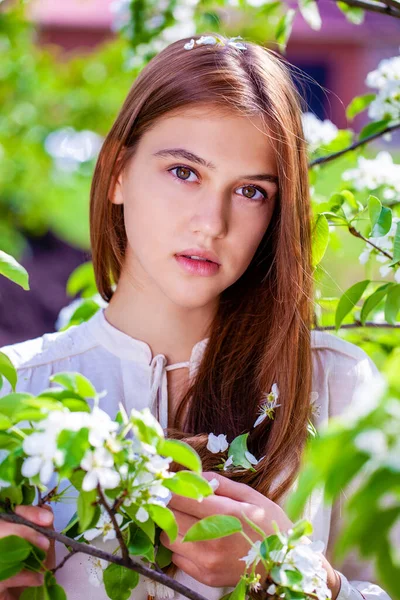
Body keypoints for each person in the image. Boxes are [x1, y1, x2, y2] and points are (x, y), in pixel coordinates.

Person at [0, 33, 393, 600]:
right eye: (184, 172)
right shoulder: (19, 390)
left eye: (251, 192)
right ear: (116, 171)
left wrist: (296, 574)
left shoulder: (338, 390)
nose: (212, 222)